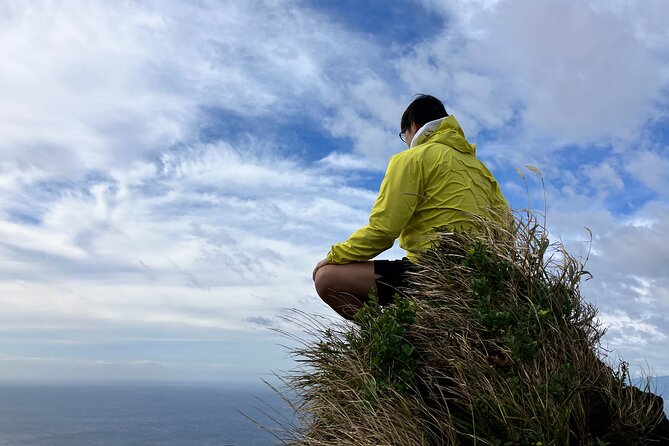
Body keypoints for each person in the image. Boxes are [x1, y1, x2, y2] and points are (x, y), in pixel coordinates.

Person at [313, 94, 507, 319]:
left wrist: (334, 256)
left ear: (413, 127)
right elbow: (505, 231)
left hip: (429, 273)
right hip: (481, 279)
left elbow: (383, 232)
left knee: (326, 278)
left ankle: (388, 339)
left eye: (403, 135)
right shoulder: (482, 171)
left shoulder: (412, 159)